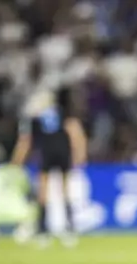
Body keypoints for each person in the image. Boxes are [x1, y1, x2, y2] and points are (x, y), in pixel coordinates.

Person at [11, 88, 87, 248]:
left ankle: (43, 231)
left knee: (43, 193)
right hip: (63, 151)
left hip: (46, 153)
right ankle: (70, 229)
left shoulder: (33, 118)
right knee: (65, 191)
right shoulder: (60, 112)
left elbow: (25, 141)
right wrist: (79, 152)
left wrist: (16, 162)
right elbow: (74, 130)